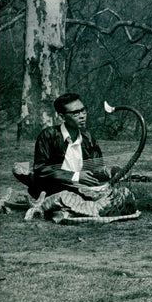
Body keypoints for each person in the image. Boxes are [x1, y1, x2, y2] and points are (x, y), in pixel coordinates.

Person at [17, 92, 137, 220]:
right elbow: (41, 169)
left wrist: (110, 172)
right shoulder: (48, 135)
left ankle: (81, 210)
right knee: (66, 198)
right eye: (76, 113)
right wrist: (76, 176)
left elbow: (96, 169)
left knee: (124, 194)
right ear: (62, 116)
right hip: (54, 189)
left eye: (83, 110)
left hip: (83, 190)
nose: (82, 116)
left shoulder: (88, 138)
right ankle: (77, 209)